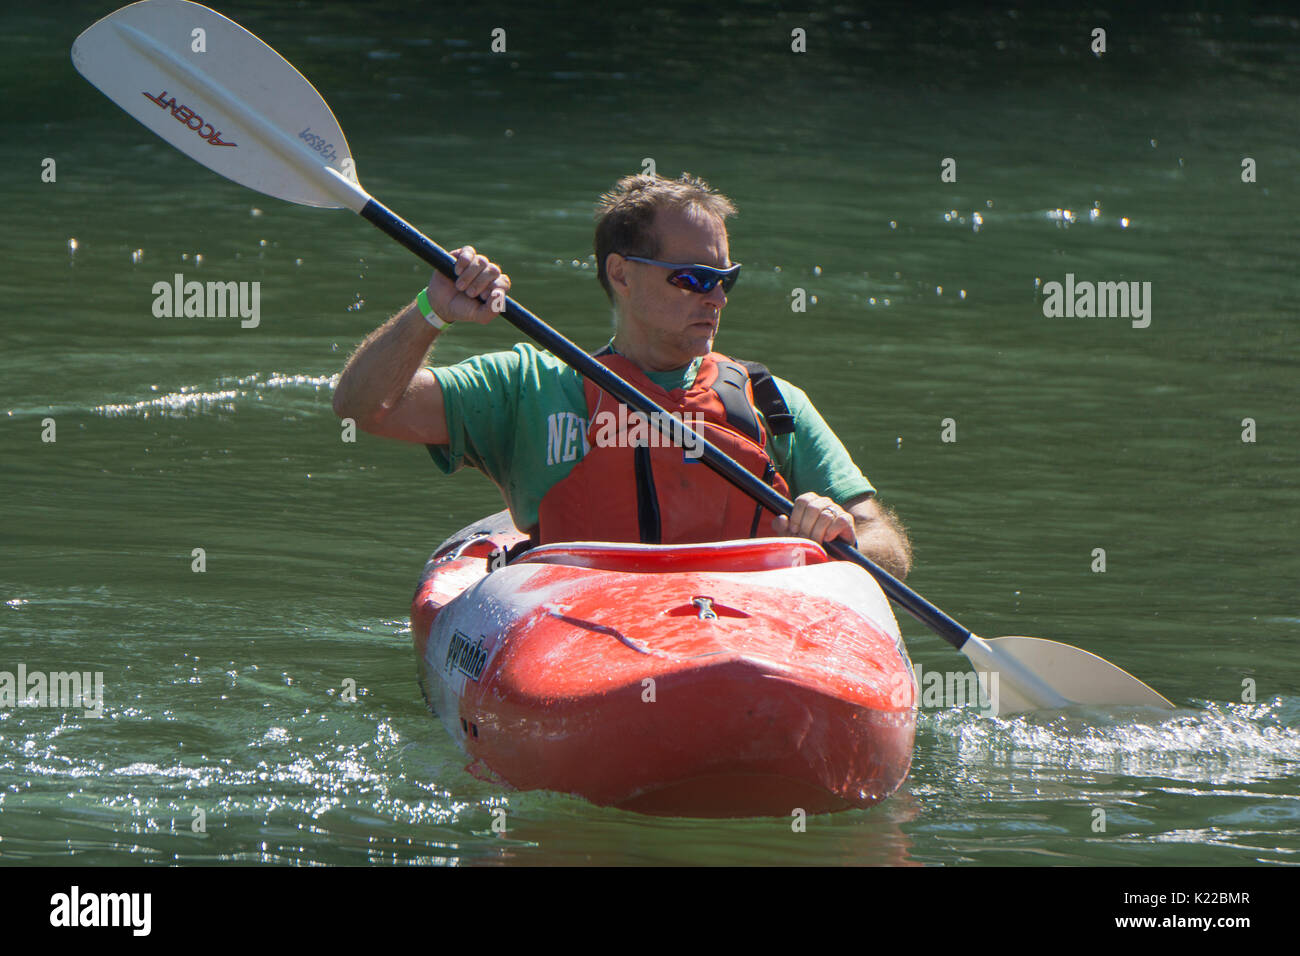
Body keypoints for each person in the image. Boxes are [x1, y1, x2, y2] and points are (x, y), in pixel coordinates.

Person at [332, 173, 912, 578]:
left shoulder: (771, 402)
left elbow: (889, 549)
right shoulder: (529, 387)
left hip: (747, 630)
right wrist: (431, 313)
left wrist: (841, 534)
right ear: (622, 275)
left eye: (724, 278)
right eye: (691, 277)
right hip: (586, 636)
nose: (715, 298)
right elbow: (364, 407)